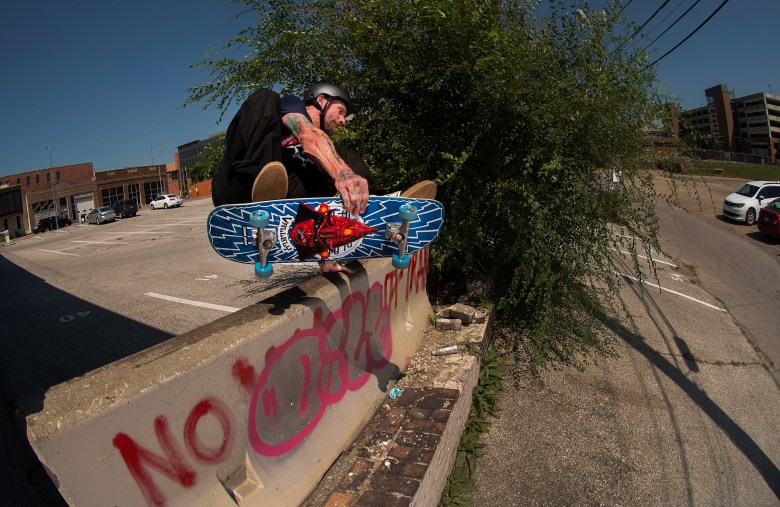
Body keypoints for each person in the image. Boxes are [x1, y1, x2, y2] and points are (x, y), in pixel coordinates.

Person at [212, 82, 436, 273]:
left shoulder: (319, 158)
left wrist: (324, 254)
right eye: (340, 111)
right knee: (265, 97)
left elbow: (316, 201)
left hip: (281, 197)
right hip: (236, 185)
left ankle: (377, 205)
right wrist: (341, 173)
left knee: (344, 156)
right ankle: (261, 184)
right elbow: (308, 136)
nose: (343, 120)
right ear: (321, 100)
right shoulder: (291, 106)